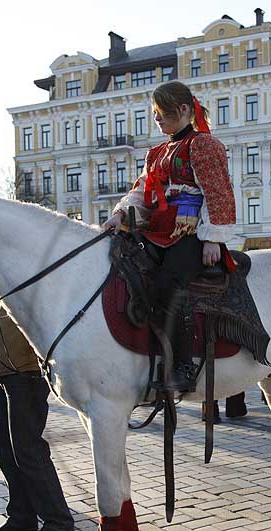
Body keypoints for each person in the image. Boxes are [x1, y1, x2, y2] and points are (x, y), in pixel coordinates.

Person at [102, 81, 237, 394]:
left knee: (168, 285)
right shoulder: (157, 153)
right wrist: (120, 215)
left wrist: (213, 238)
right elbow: (141, 192)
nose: (157, 119)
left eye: (163, 113)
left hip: (190, 231)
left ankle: (183, 364)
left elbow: (218, 192)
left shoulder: (203, 145)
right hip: (158, 229)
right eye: (154, 114)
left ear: (185, 111)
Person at [0, 309, 75, 531]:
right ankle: (21, 516)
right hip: (2, 376)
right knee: (5, 449)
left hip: (27, 376)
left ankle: (58, 520)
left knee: (28, 449)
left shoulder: (24, 286)